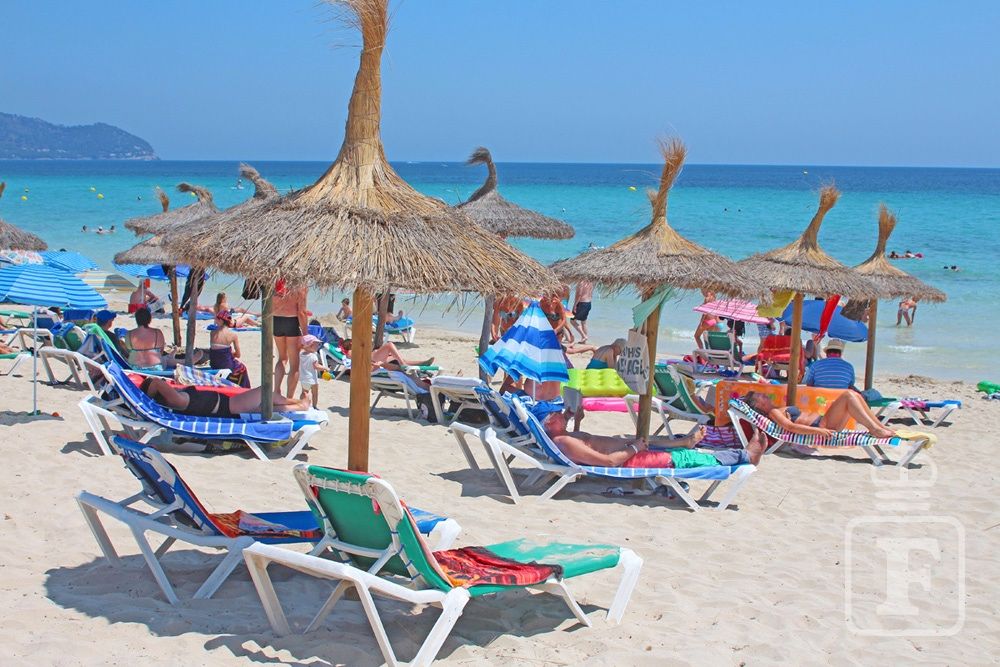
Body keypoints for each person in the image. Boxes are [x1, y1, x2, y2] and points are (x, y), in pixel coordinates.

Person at [542, 412, 764, 468]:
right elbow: (608, 461)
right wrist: (634, 448)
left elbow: (585, 447)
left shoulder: (563, 437)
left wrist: (576, 419)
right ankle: (746, 456)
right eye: (555, 414)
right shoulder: (564, 442)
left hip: (630, 449)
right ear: (550, 424)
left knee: (657, 443)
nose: (560, 412)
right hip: (629, 459)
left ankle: (686, 441)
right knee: (685, 458)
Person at [743, 390, 896, 440]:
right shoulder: (773, 412)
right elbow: (790, 427)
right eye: (760, 396)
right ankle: (875, 429)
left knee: (855, 395)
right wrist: (819, 431)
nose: (764, 394)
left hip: (823, 423)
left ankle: (879, 427)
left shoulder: (778, 409)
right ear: (758, 405)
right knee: (848, 395)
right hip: (821, 425)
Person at [139, 376, 311, 417]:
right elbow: (157, 383)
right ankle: (298, 402)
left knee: (265, 407)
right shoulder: (175, 400)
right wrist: (152, 387)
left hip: (228, 406)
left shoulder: (174, 399)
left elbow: (158, 384)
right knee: (265, 391)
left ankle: (299, 406)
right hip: (228, 406)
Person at [272, 280, 309, 397]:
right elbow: (301, 312)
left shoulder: (274, 281)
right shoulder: (300, 284)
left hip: (276, 320)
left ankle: (276, 391)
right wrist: (305, 334)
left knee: (282, 358)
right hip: (292, 321)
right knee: (294, 365)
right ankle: (289, 397)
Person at [208, 310, 250, 388]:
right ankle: (244, 390)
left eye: (217, 319)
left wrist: (228, 353)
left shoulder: (212, 333)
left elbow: (217, 350)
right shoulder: (233, 335)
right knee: (242, 368)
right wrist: (231, 353)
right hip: (225, 365)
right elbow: (238, 355)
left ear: (221, 321)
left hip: (214, 364)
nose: (215, 321)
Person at [125, 307, 173, 371]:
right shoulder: (157, 333)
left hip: (135, 368)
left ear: (137, 320)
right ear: (149, 319)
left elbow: (128, 351)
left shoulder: (129, 334)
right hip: (155, 367)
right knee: (166, 359)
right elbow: (161, 351)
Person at [342, 338, 433, 371]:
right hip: (373, 359)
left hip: (374, 358)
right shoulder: (350, 352)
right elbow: (360, 359)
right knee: (389, 345)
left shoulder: (354, 350)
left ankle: (422, 363)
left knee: (397, 358)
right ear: (351, 343)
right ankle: (403, 364)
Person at [298, 334, 329, 409]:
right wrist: (325, 368)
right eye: (317, 345)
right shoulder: (313, 356)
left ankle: (301, 404)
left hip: (303, 378)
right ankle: (315, 406)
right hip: (312, 379)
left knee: (304, 392)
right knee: (315, 393)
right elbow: (316, 366)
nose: (318, 346)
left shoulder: (301, 354)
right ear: (311, 345)